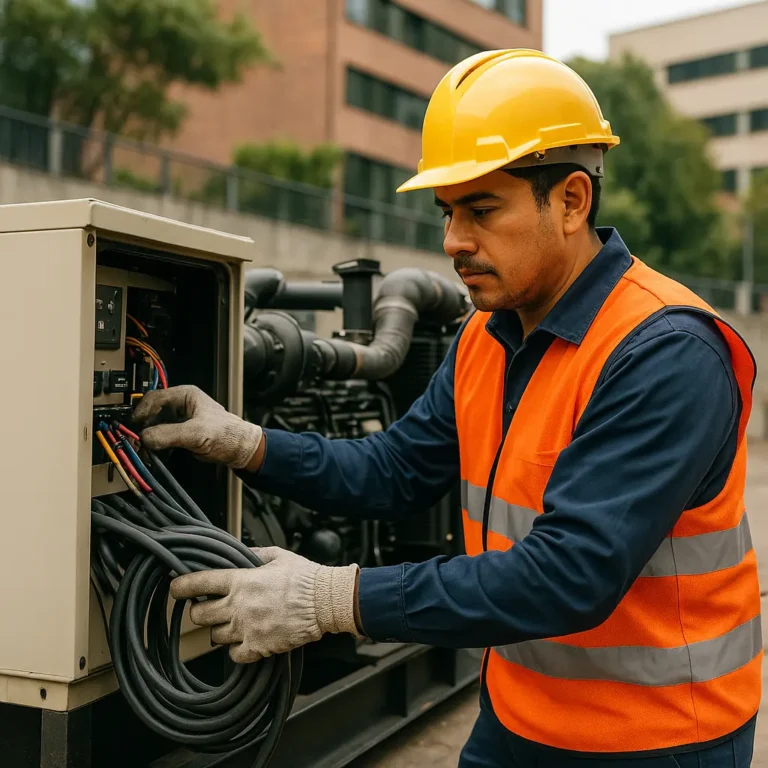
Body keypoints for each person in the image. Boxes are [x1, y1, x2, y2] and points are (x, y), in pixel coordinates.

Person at [132, 50, 761, 767]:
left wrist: (332, 600)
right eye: (448, 211)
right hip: (520, 713)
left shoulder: (664, 350)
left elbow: (567, 575)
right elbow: (393, 471)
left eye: (482, 210)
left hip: (658, 739)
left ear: (572, 201)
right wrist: (245, 443)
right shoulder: (486, 339)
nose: (453, 241)